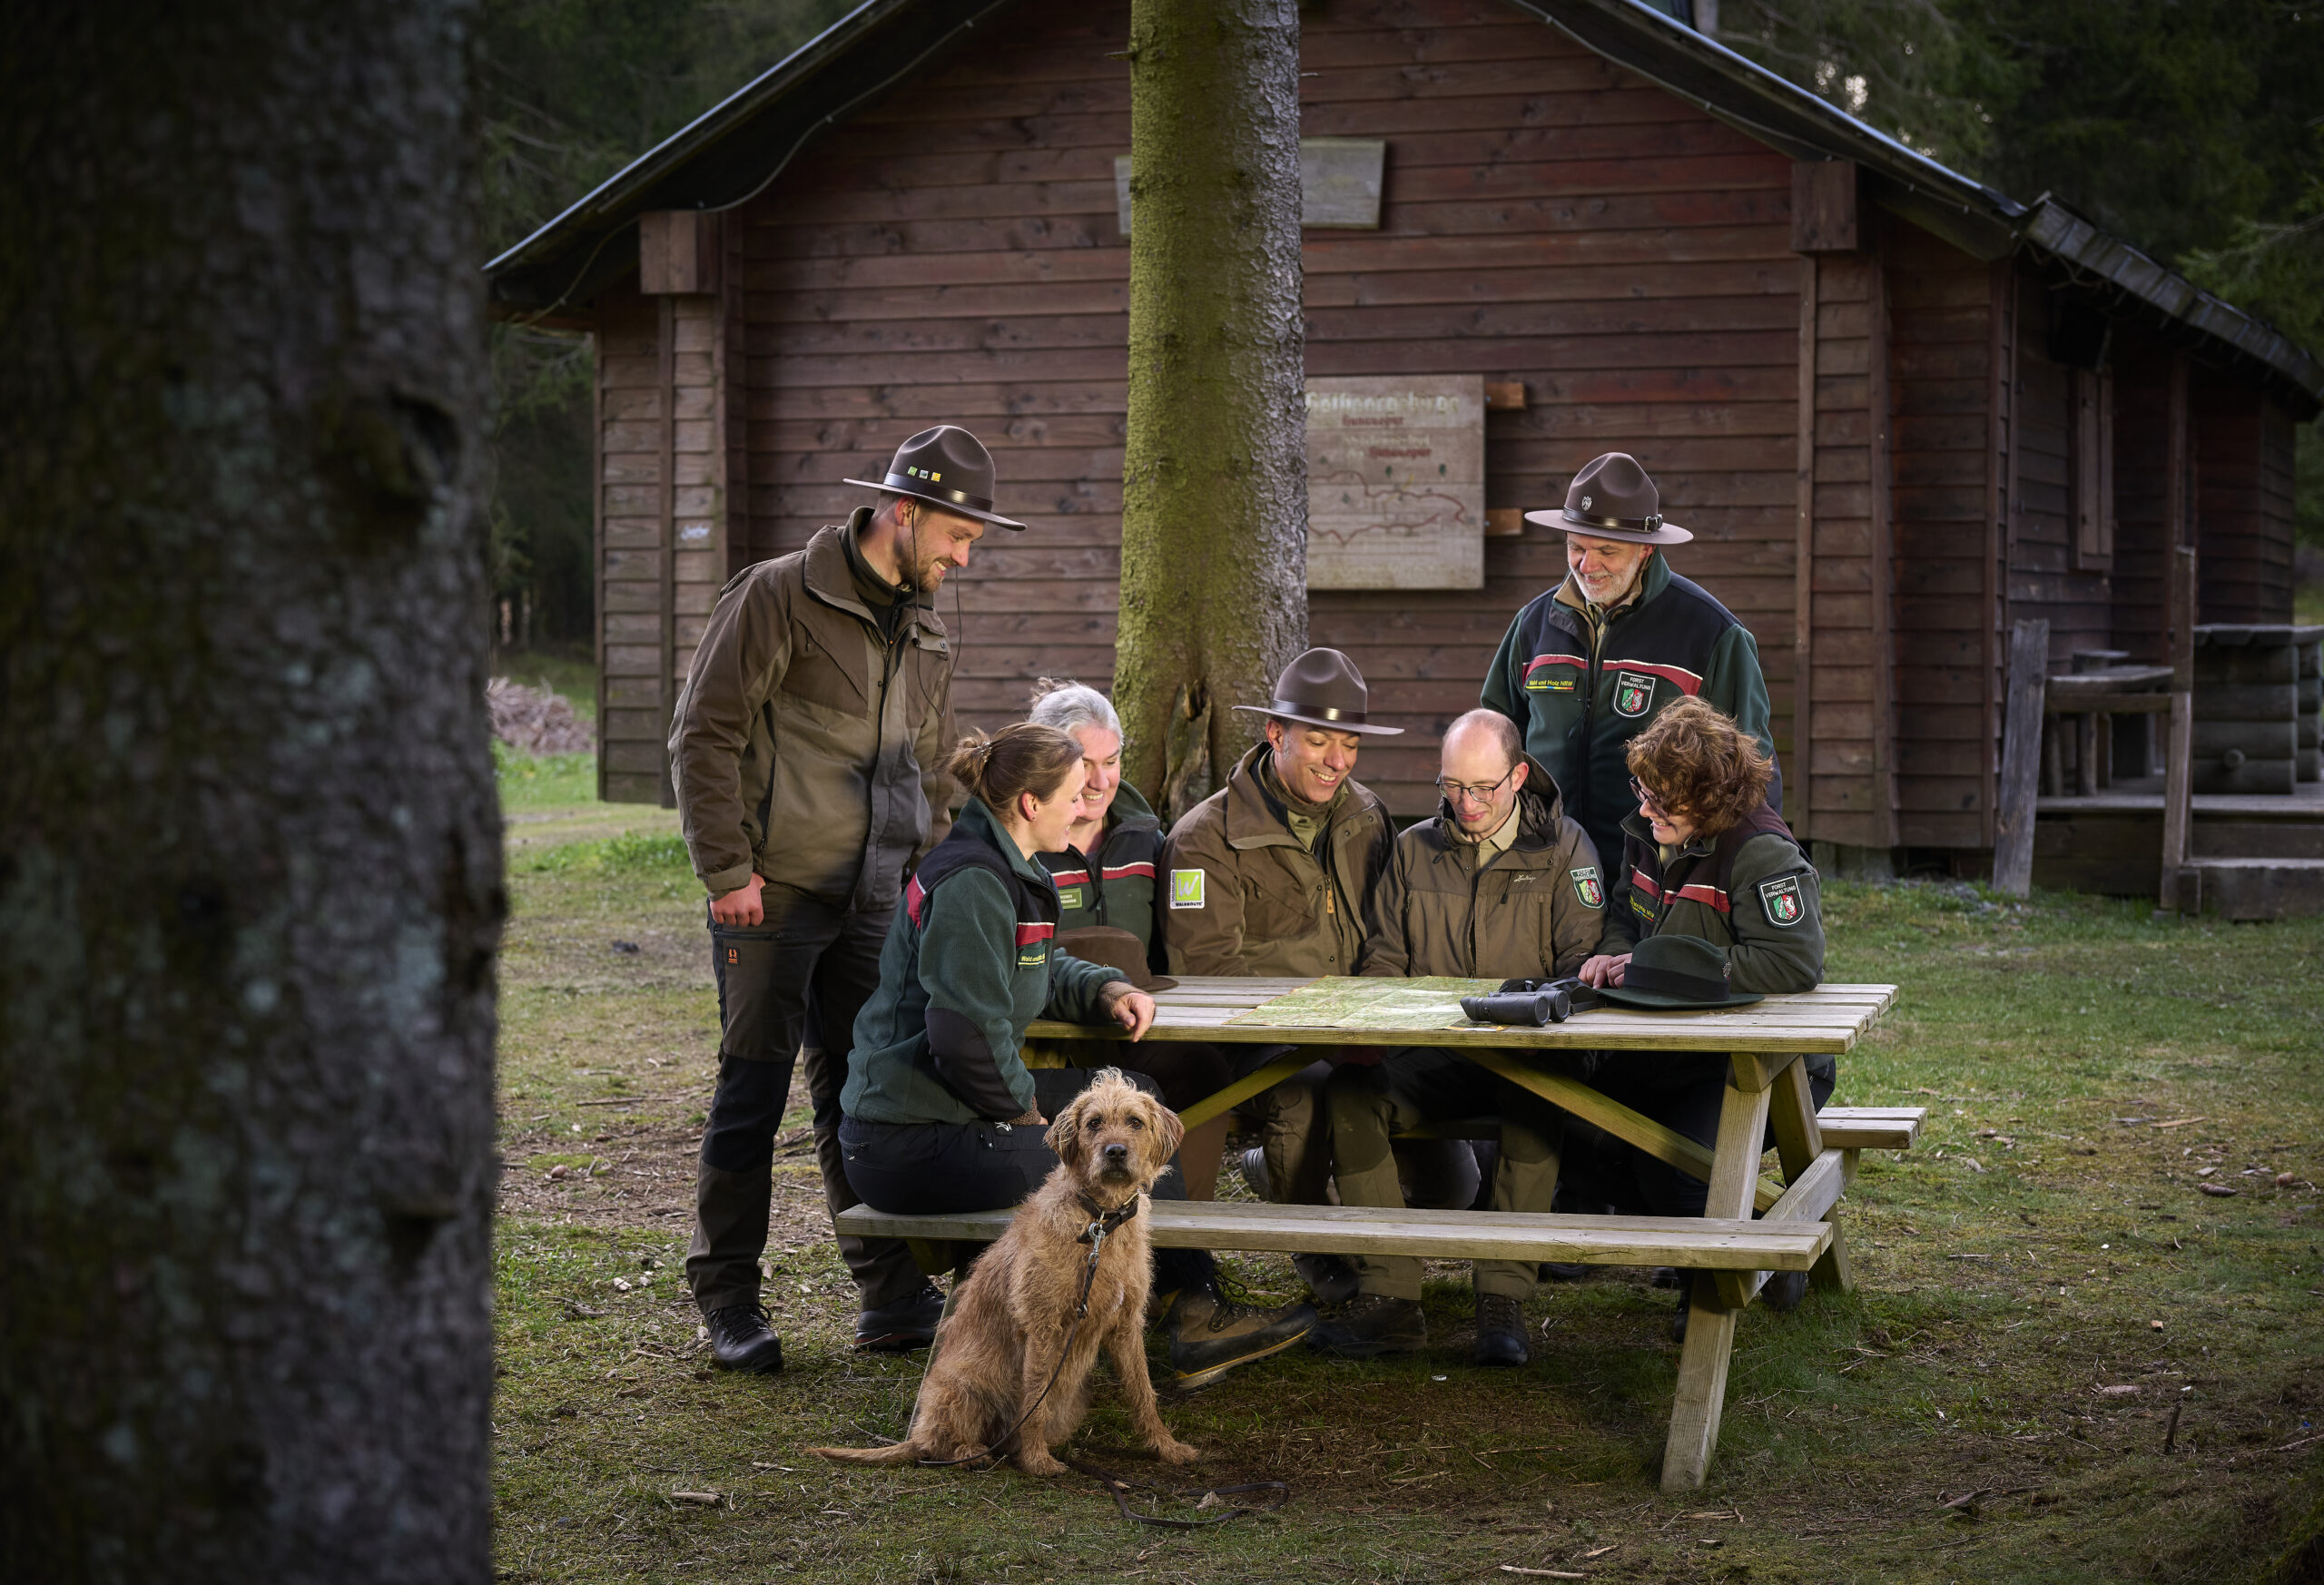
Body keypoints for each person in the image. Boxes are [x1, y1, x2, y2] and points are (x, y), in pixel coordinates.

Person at [667, 424, 1010, 1374]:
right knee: (752, 1091)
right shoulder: (779, 594)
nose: (963, 556)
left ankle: (889, 1293)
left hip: (877, 898)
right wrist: (727, 870)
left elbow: (935, 777)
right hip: (770, 894)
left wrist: (928, 881)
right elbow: (704, 735)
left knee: (863, 1096)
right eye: (956, 535)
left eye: (973, 540)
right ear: (904, 512)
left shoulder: (929, 629)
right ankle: (728, 1299)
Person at [839, 723, 1317, 1391]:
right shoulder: (974, 882)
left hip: (946, 1117)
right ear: (1031, 804)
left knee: (1139, 1103)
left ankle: (1178, 1304)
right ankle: (1190, 1314)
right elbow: (963, 1037)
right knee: (1111, 1160)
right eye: (1073, 790)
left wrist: (1104, 988)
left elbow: (1035, 961)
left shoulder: (1008, 865)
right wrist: (1028, 1119)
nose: (1088, 798)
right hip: (909, 1140)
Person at [1310, 711, 1608, 1367]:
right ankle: (1390, 1295)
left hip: (1532, 1052)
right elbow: (1384, 959)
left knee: (1537, 1105)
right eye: (1453, 786)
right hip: (1436, 1050)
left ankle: (1503, 1295)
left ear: (1519, 776)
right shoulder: (1414, 848)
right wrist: (1377, 1025)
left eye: (1484, 788)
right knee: (1353, 1093)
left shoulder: (1565, 848)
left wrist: (1530, 1019)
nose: (1466, 804)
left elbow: (1581, 968)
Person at [1572, 695, 1828, 1320]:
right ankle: (1734, 1243)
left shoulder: (1761, 853)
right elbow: (1620, 919)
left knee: (1681, 1171)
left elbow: (1793, 965)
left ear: (1710, 795)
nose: (1645, 807)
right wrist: (1612, 955)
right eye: (1644, 789)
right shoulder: (1646, 834)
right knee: (1578, 1138)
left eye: (1664, 798)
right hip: (1669, 1051)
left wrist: (1663, 970)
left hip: (1759, 1065)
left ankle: (1733, 1274)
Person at [1481, 450, 1781, 873]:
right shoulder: (1532, 625)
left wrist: (1750, 871)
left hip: (1657, 877)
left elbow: (1754, 773)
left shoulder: (1712, 633)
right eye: (1575, 547)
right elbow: (1492, 741)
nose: (1587, 565)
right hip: (1542, 867)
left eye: (1607, 550)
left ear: (1644, 549)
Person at [1025, 679, 1233, 1199]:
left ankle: (1186, 1238)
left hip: (1130, 1030)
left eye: (1111, 761)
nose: (1099, 781)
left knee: (1206, 1069)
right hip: (1041, 1037)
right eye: (1082, 764)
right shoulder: (1022, 841)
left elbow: (1171, 944)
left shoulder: (1147, 837)